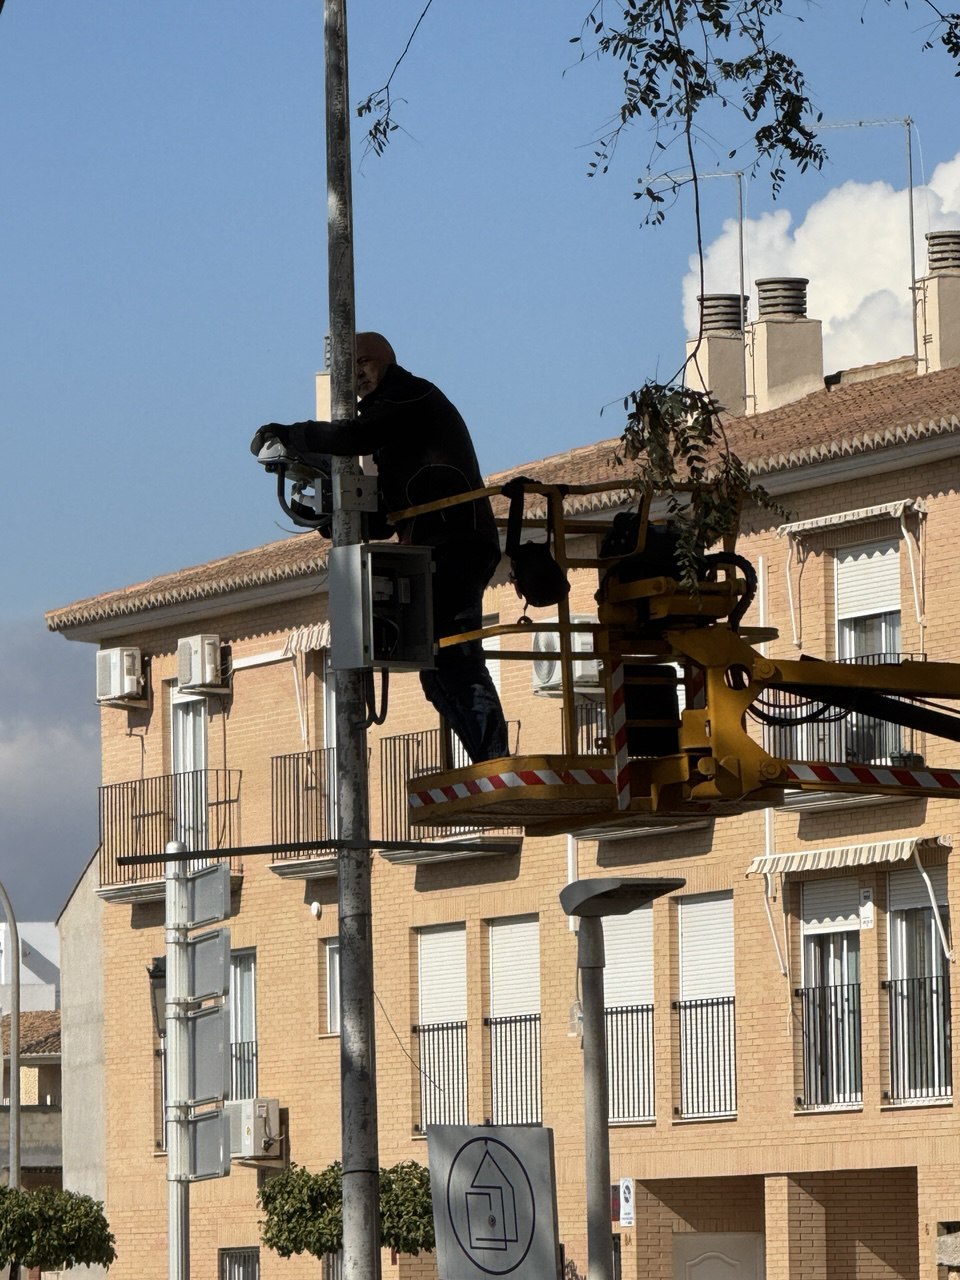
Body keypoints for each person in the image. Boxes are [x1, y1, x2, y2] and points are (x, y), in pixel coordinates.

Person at [252, 332, 509, 764]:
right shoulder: (395, 426)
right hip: (438, 544)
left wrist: (293, 435)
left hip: (456, 542)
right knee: (438, 670)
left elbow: (358, 436)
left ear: (388, 361)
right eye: (349, 369)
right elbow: (390, 512)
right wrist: (336, 521)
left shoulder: (410, 397)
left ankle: (494, 759)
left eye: (364, 363)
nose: (358, 376)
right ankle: (485, 761)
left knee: (455, 656)